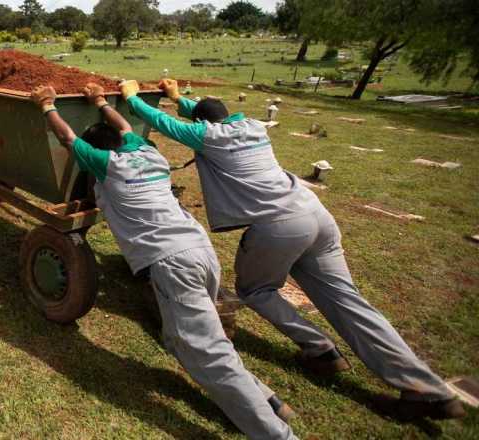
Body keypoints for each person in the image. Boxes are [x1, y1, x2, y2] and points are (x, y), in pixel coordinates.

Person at [121, 78, 466, 421]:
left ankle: (320, 348)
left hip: (280, 225)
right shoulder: (254, 127)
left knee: (254, 289)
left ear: (204, 125)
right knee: (350, 301)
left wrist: (132, 98)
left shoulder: (209, 136)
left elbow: (167, 124)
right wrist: (179, 97)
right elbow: (205, 116)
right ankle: (426, 389)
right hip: (315, 214)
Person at [31, 82, 297, 440]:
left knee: (206, 352)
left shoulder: (108, 166)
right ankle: (268, 399)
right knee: (185, 340)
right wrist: (99, 102)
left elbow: (66, 139)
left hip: (174, 263)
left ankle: (275, 433)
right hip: (201, 252)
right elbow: (125, 128)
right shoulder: (149, 154)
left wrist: (47, 105)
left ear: (97, 152)